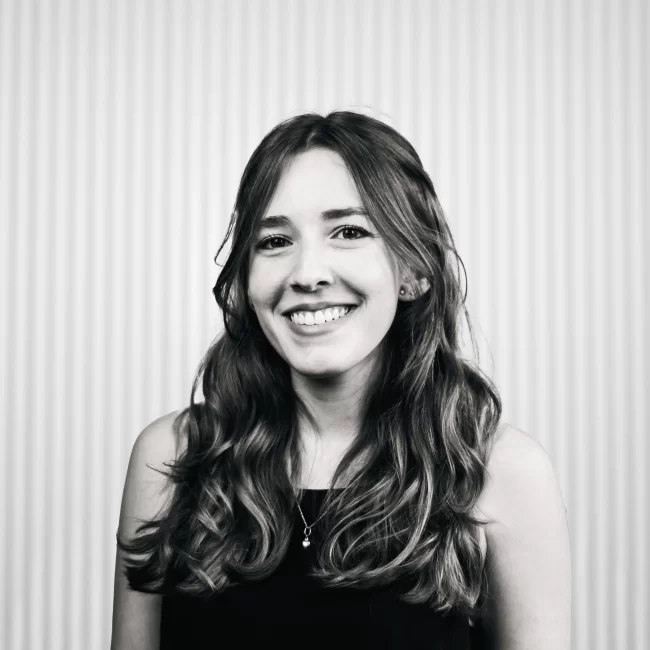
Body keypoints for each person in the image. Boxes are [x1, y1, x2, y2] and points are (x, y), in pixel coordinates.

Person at [110, 111, 571, 650]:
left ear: (413, 270)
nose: (307, 274)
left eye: (349, 232)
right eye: (274, 241)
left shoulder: (504, 472)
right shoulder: (170, 456)